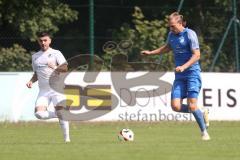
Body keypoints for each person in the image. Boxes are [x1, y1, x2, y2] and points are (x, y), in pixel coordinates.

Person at [141, 12, 210, 140]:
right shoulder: (171, 35)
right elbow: (167, 48)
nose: (171, 28)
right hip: (179, 76)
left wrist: (184, 66)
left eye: (173, 26)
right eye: (169, 26)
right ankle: (201, 113)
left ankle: (204, 132)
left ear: (180, 23)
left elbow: (197, 55)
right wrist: (151, 53)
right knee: (176, 107)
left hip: (192, 74)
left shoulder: (190, 34)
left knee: (192, 105)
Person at [26, 32, 70, 143]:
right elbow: (37, 73)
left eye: (45, 40)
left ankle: (67, 140)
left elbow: (65, 69)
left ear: (49, 41)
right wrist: (31, 81)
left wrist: (54, 67)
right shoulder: (35, 57)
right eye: (41, 40)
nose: (43, 42)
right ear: (38, 42)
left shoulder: (56, 53)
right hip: (43, 91)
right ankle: (57, 114)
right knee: (39, 114)